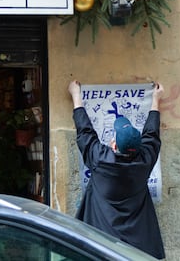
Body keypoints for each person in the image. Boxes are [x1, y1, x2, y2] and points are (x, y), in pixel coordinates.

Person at [68, 80, 165, 259]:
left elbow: (85, 132)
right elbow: (152, 134)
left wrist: (76, 96)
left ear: (113, 145)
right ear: (138, 147)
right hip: (136, 247)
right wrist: (155, 100)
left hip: (102, 244)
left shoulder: (100, 160)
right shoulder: (144, 161)